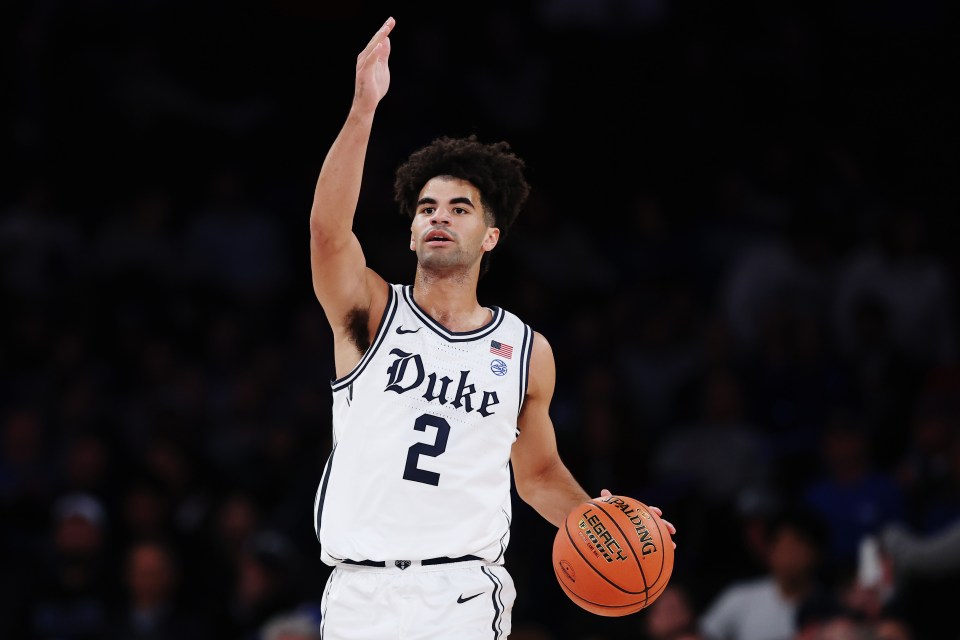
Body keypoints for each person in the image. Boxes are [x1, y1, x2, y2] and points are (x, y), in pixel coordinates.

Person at [307, 16, 675, 639]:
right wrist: (363, 109)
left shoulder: (527, 352)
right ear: (412, 231)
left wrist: (608, 526)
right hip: (358, 594)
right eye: (427, 209)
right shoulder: (370, 314)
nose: (439, 218)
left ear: (491, 236)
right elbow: (328, 234)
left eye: (459, 208)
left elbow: (535, 474)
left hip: (462, 594)